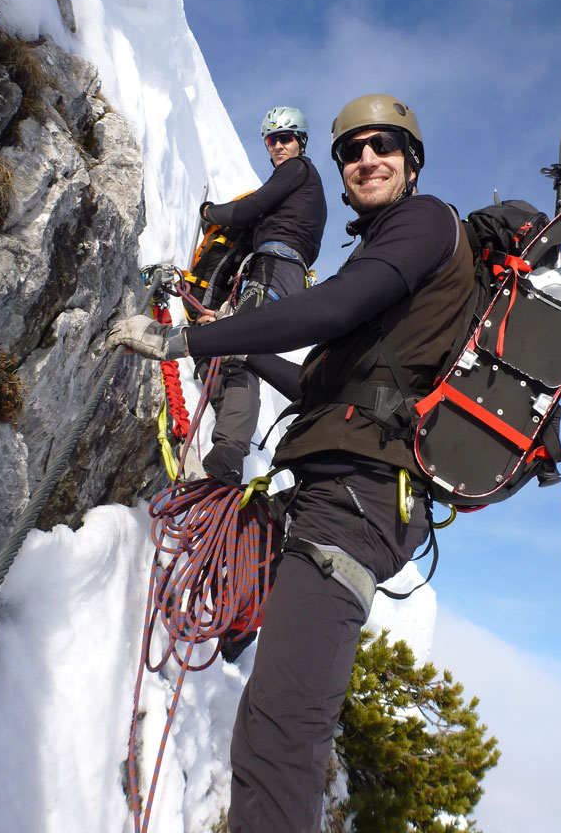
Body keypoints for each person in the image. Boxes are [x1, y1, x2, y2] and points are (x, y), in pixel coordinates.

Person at [107, 93, 477, 832]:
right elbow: (321, 389)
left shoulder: (426, 222)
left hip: (355, 503)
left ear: (412, 162)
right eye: (352, 150)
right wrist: (244, 350)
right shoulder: (393, 280)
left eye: (384, 145)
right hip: (340, 492)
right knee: (274, 725)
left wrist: (187, 341)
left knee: (278, 739)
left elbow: (329, 308)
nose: (366, 158)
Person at [193, 106, 326, 486]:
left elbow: (248, 209)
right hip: (285, 274)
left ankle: (228, 452)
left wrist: (209, 212)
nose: (278, 146)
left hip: (274, 267)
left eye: (286, 138)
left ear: (300, 142)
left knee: (240, 350)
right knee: (233, 346)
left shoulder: (297, 170)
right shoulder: (305, 186)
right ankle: (227, 430)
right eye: (272, 140)